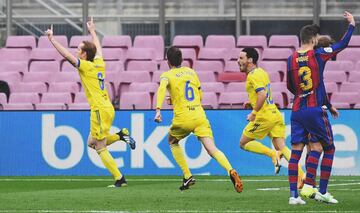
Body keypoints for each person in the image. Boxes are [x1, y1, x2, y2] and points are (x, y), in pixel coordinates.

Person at [45, 18, 136, 187]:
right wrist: (93, 31)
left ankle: (119, 178)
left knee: (100, 147)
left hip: (99, 110)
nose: (76, 51)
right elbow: (98, 49)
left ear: (85, 54)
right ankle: (121, 135)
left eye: (79, 49)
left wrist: (52, 40)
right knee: (91, 143)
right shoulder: (99, 63)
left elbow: (66, 56)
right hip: (106, 107)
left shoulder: (85, 66)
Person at [287, 11, 355, 204]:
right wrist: (351, 25)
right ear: (314, 39)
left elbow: (290, 86)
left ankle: (294, 196)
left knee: (298, 151)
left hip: (297, 109)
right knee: (330, 148)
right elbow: (342, 45)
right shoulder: (317, 54)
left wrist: (306, 95)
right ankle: (319, 189)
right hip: (314, 109)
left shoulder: (290, 58)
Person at [154, 46, 243, 193]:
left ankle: (187, 175)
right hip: (199, 115)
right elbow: (199, 95)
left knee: (172, 141)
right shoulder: (191, 72)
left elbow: (162, 89)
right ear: (181, 60)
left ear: (167, 61)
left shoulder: (166, 75)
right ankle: (230, 170)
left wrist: (158, 110)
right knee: (212, 149)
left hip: (183, 117)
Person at [237, 48, 305, 186]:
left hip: (264, 117)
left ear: (250, 60)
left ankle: (272, 154)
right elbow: (263, 94)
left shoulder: (252, 76)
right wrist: (251, 103)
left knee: (243, 143)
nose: (238, 61)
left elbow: (262, 95)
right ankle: (302, 175)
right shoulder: (261, 72)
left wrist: (254, 112)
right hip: (274, 113)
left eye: (241, 58)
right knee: (282, 147)